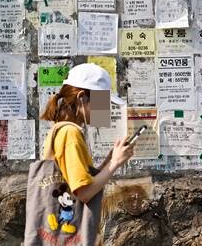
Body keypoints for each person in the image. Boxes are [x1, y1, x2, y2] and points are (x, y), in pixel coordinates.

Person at [40, 63, 134, 244]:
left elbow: (78, 181)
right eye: (103, 103)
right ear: (82, 98)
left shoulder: (63, 130)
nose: (105, 110)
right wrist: (113, 164)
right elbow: (83, 193)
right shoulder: (70, 134)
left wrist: (108, 162)